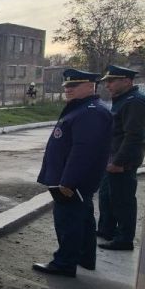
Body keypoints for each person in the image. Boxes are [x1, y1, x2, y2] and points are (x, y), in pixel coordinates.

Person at [33, 69, 112, 277]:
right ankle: (84, 258)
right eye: (66, 86)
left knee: (68, 221)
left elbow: (83, 150)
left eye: (73, 86)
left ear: (90, 86)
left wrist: (68, 181)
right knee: (82, 218)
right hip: (73, 180)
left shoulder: (90, 112)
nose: (68, 90)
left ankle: (64, 263)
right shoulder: (84, 108)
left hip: (72, 182)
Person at [96, 65, 145, 251]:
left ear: (127, 81)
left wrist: (119, 162)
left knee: (122, 200)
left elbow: (134, 136)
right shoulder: (123, 100)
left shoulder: (135, 102)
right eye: (107, 81)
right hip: (112, 159)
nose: (108, 85)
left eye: (112, 81)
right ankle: (107, 230)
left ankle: (124, 239)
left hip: (123, 162)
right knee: (107, 196)